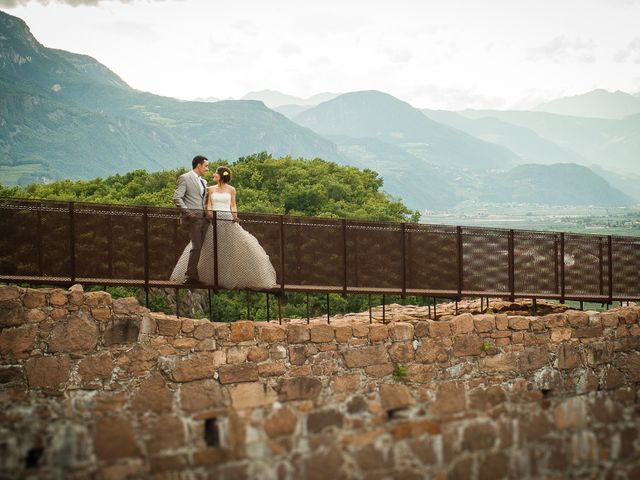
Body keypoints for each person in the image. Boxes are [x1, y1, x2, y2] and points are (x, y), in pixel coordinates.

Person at [171, 165, 278, 290]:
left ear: (221, 176)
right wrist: (209, 214)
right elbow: (209, 204)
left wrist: (235, 216)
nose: (213, 175)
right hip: (213, 220)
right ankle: (204, 276)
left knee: (229, 247)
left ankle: (229, 276)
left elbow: (233, 205)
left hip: (227, 219)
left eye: (216, 173)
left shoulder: (231, 189)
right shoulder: (210, 189)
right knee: (210, 248)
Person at [172, 155, 209, 284]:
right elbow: (177, 198)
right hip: (193, 219)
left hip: (204, 219)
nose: (207, 169)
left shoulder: (203, 182)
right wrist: (187, 213)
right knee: (196, 246)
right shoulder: (184, 178)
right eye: (206, 166)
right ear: (199, 165)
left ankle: (195, 275)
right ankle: (189, 276)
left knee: (201, 247)